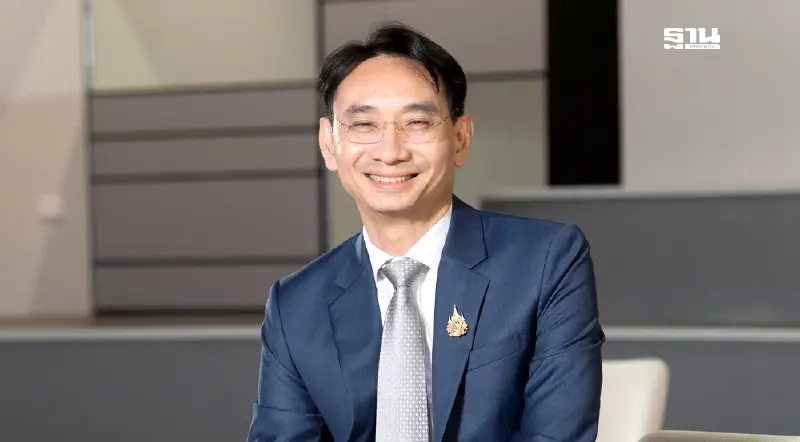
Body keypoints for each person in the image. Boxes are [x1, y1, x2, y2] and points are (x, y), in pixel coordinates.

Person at [246, 22, 604, 442]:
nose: (390, 151)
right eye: (364, 125)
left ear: (461, 138)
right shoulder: (296, 305)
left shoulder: (546, 262)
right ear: (329, 144)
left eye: (417, 122)